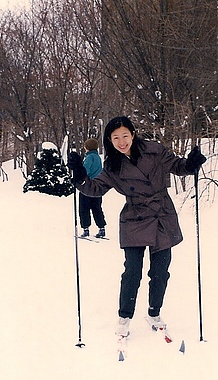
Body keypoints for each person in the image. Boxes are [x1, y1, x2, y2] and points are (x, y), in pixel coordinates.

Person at [67, 116, 206, 337]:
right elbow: (95, 188)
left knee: (160, 272)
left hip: (162, 215)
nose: (121, 142)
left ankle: (154, 312)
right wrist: (81, 176)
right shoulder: (113, 166)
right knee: (132, 271)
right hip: (135, 217)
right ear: (109, 141)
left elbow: (178, 166)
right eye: (115, 138)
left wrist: (191, 164)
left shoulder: (155, 151)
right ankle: (124, 317)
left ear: (133, 134)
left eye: (124, 136)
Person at [78, 138, 107, 238]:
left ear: (88, 148)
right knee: (97, 208)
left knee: (84, 208)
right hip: (97, 186)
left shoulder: (89, 157)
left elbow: (85, 170)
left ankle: (85, 228)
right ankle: (101, 227)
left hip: (87, 185)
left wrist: (79, 176)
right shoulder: (98, 157)